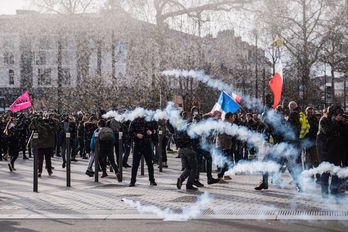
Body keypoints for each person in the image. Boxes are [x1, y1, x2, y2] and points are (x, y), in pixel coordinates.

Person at [317, 105, 345, 198]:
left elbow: (343, 134)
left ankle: (334, 190)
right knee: (326, 172)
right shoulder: (324, 120)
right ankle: (324, 193)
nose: (340, 116)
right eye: (339, 114)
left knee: (336, 171)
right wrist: (335, 122)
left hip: (336, 151)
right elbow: (327, 132)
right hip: (325, 151)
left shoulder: (339, 122)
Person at [128, 116, 157, 187]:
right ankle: (132, 181)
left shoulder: (149, 121)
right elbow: (130, 132)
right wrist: (136, 135)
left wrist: (151, 132)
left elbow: (154, 130)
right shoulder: (134, 121)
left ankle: (152, 180)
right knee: (135, 164)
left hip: (147, 144)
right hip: (137, 145)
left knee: (150, 164)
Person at [176, 126, 199, 191]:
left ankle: (181, 179)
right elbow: (195, 141)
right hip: (189, 150)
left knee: (188, 168)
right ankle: (189, 185)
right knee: (194, 168)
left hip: (182, 150)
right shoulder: (191, 132)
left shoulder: (181, 131)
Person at [304, 106, 320, 182]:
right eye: (308, 112)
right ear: (306, 112)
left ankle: (318, 177)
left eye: (311, 112)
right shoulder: (304, 119)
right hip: (306, 143)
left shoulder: (315, 119)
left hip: (314, 143)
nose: (309, 113)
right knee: (307, 161)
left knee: (316, 161)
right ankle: (310, 177)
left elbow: (316, 129)